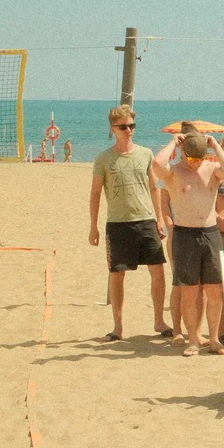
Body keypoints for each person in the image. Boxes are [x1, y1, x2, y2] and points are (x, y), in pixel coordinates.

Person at [151, 128, 224, 355]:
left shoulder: (211, 169)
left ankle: (213, 341)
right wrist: (173, 142)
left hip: (209, 232)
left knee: (215, 290)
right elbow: (157, 165)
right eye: (191, 158)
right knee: (189, 291)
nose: (195, 163)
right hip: (185, 234)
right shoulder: (174, 172)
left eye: (199, 158)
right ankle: (192, 339)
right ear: (182, 152)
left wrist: (215, 145)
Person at [89, 105, 169, 341]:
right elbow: (95, 193)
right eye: (123, 127)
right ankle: (118, 327)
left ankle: (159, 321)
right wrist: (93, 226)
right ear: (113, 128)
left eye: (132, 126)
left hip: (146, 220)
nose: (128, 130)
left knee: (158, 272)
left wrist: (160, 218)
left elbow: (155, 188)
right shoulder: (104, 158)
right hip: (118, 223)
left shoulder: (145, 153)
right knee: (117, 275)